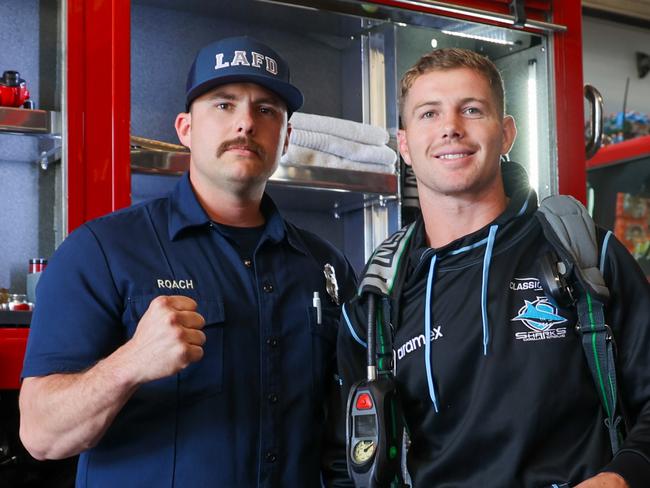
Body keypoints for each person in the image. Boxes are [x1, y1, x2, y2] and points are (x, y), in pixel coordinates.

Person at [19, 36, 355, 487]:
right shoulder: (101, 250)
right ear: (185, 129)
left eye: (267, 110)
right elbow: (41, 434)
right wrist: (131, 363)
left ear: (286, 138)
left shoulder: (325, 266)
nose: (245, 124)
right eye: (223, 105)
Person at [338, 48, 650, 488]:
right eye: (429, 114)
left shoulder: (584, 254)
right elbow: (346, 457)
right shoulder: (375, 304)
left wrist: (622, 476)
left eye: (471, 109)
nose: (450, 128)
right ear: (404, 145)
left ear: (505, 134)